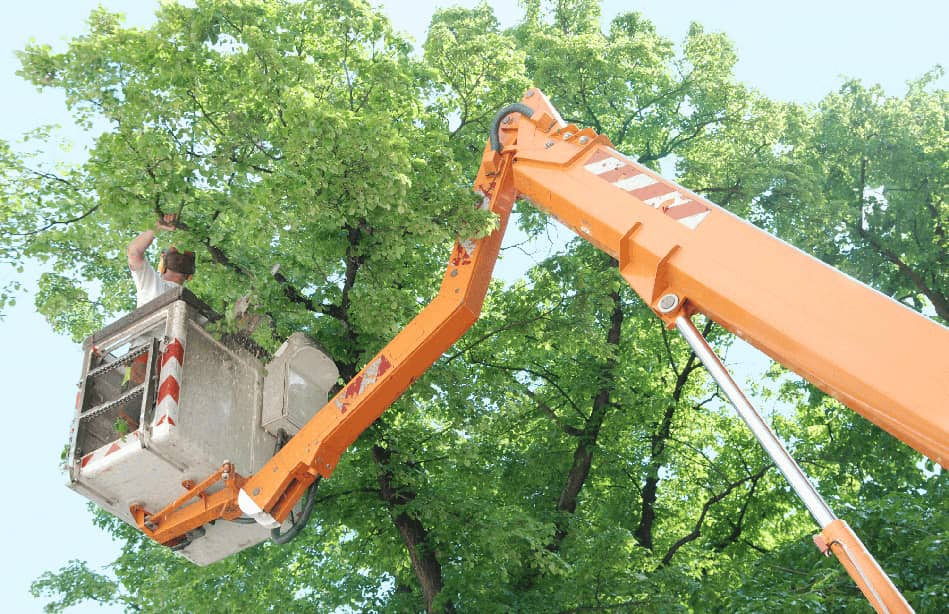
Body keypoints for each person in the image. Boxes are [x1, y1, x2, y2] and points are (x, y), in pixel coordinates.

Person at [122, 213, 195, 389]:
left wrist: (157, 227)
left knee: (131, 411)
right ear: (190, 276)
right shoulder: (191, 306)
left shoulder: (152, 281)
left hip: (146, 357)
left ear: (162, 265)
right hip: (174, 368)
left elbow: (134, 252)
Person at [127, 213, 195, 307]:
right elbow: (134, 252)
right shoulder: (152, 284)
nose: (180, 253)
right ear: (162, 265)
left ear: (190, 276)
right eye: (175, 253)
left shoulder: (191, 304)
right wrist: (157, 226)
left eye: (185, 256)